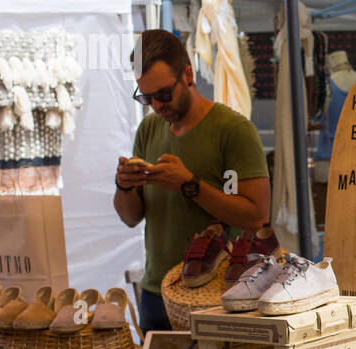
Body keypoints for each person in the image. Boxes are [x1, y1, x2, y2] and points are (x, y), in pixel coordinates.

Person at [115, 30, 271, 331]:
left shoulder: (233, 130)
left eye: (163, 94)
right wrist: (124, 185)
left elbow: (256, 217)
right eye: (146, 97)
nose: (157, 105)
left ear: (187, 74)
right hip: (156, 291)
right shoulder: (148, 130)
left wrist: (189, 185)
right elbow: (130, 217)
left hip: (217, 294)